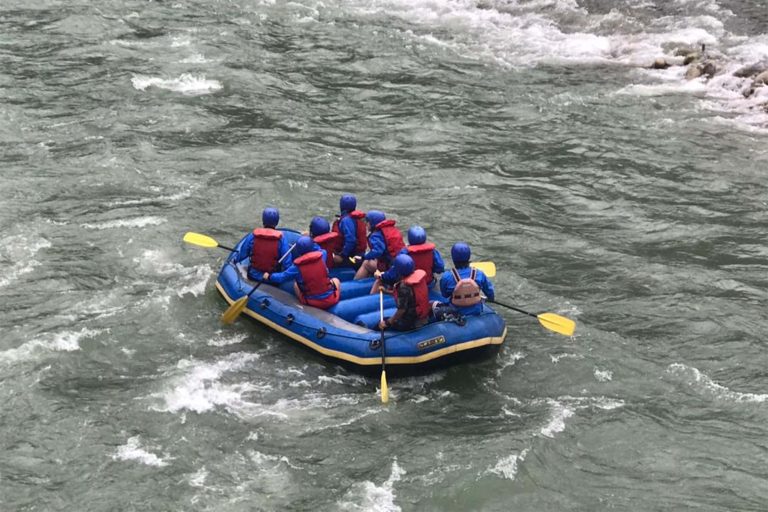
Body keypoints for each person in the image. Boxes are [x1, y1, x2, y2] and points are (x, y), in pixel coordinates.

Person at [263, 236, 341, 310]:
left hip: (311, 302)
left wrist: (269, 276)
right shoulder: (322, 255)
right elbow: (319, 249)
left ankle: (304, 306)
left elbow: (282, 277)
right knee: (335, 280)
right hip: (332, 299)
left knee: (296, 284)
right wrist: (311, 241)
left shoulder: (296, 267)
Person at [434, 242, 495, 319]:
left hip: (456, 311)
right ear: (469, 256)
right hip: (477, 310)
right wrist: (491, 298)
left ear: (453, 258)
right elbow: (489, 291)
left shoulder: (447, 276)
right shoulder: (479, 274)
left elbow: (445, 294)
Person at [237, 207, 293, 281]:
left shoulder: (253, 236)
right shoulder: (281, 238)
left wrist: (234, 261)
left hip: (253, 276)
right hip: (272, 279)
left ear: (263, 220)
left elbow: (242, 254)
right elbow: (287, 264)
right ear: (277, 221)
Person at [378, 254, 430, 331]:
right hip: (423, 317)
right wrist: (387, 291)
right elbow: (409, 296)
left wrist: (388, 322)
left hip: (411, 322)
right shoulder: (419, 279)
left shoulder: (404, 286)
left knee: (380, 323)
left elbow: (401, 310)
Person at [354, 210, 406, 280]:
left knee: (366, 263)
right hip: (400, 264)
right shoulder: (392, 230)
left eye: (367, 221)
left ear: (372, 224)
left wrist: (363, 257)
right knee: (374, 259)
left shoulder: (376, 235)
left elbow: (378, 251)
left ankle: (355, 283)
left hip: (390, 268)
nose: (366, 223)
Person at [331, 194, 368, 266]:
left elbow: (351, 240)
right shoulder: (357, 218)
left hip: (350, 257)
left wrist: (342, 255)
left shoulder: (346, 220)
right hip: (358, 254)